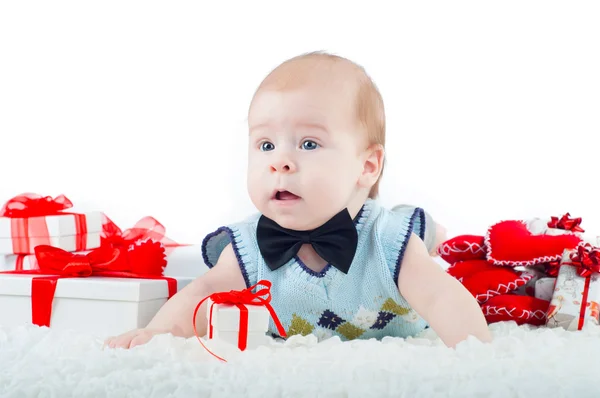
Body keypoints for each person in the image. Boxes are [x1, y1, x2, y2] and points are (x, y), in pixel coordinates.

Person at [105, 51, 492, 350]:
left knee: (420, 237)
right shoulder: (246, 247)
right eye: (266, 144)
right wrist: (155, 333)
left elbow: (441, 296)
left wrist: (474, 352)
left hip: (390, 294)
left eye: (309, 143)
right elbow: (201, 294)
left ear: (367, 165)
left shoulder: (388, 241)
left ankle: (430, 231)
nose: (280, 162)